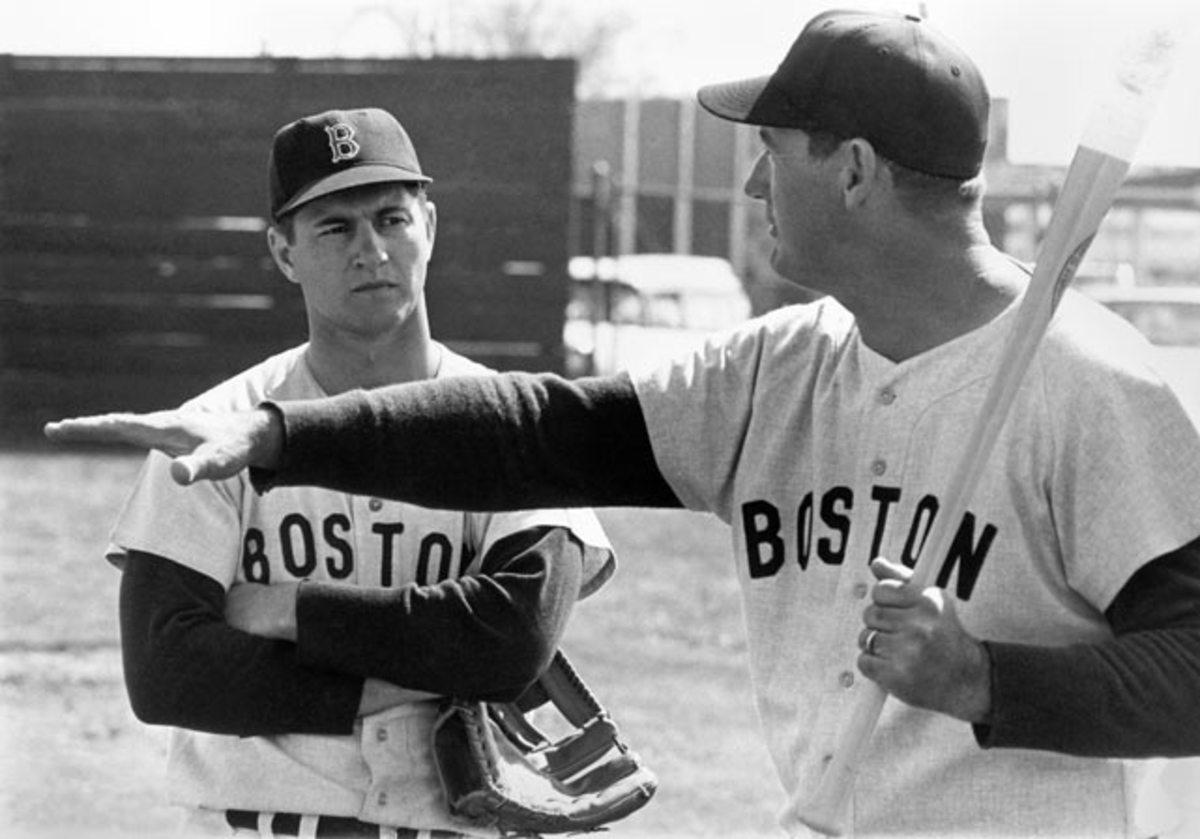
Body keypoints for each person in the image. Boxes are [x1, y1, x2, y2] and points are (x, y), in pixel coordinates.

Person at [47, 11, 1200, 838]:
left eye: (770, 156)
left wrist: (987, 678)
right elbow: (542, 427)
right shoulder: (778, 370)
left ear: (851, 173)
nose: (752, 190)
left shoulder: (1096, 388)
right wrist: (290, 438)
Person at [95, 106, 617, 838]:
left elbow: (511, 637)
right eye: (334, 227)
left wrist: (287, 610)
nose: (370, 248)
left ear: (428, 226)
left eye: (391, 218)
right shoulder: (215, 430)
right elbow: (168, 668)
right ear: (282, 251)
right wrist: (410, 666)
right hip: (255, 823)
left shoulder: (516, 425)